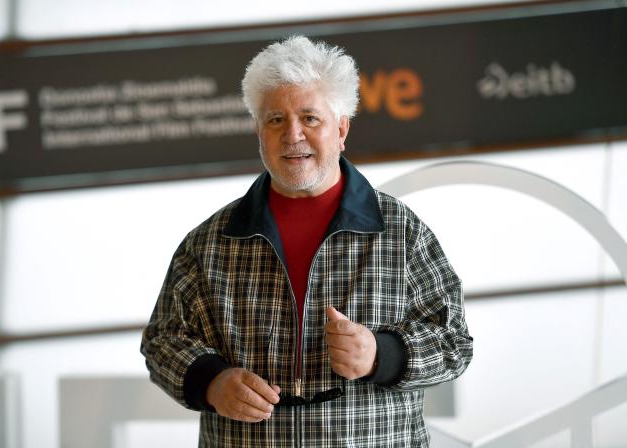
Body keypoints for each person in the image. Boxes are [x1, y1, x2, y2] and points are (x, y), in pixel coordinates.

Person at [141, 35, 473, 447]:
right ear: (258, 131)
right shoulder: (208, 242)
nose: (292, 134)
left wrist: (381, 354)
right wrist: (211, 381)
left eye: (310, 118)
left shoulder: (403, 232)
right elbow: (162, 341)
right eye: (275, 119)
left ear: (341, 128)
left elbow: (454, 343)